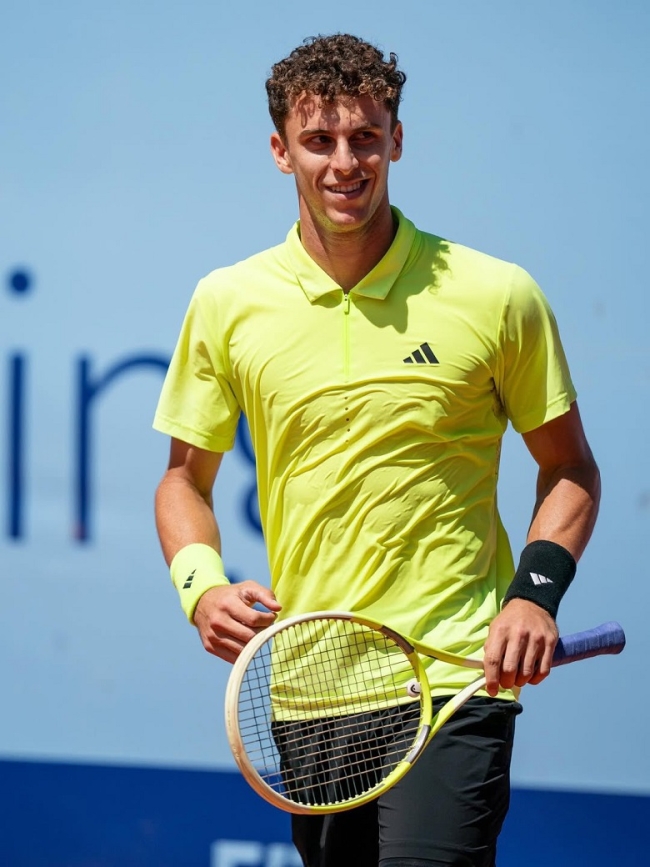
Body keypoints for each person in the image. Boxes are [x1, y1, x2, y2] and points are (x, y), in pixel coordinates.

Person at [153, 33, 600, 867]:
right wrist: (199, 586)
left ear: (396, 139)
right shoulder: (227, 301)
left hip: (452, 679)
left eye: (365, 136)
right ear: (281, 151)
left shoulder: (496, 293)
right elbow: (183, 481)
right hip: (309, 687)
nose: (344, 163)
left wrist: (534, 596)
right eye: (319, 141)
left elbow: (570, 467)